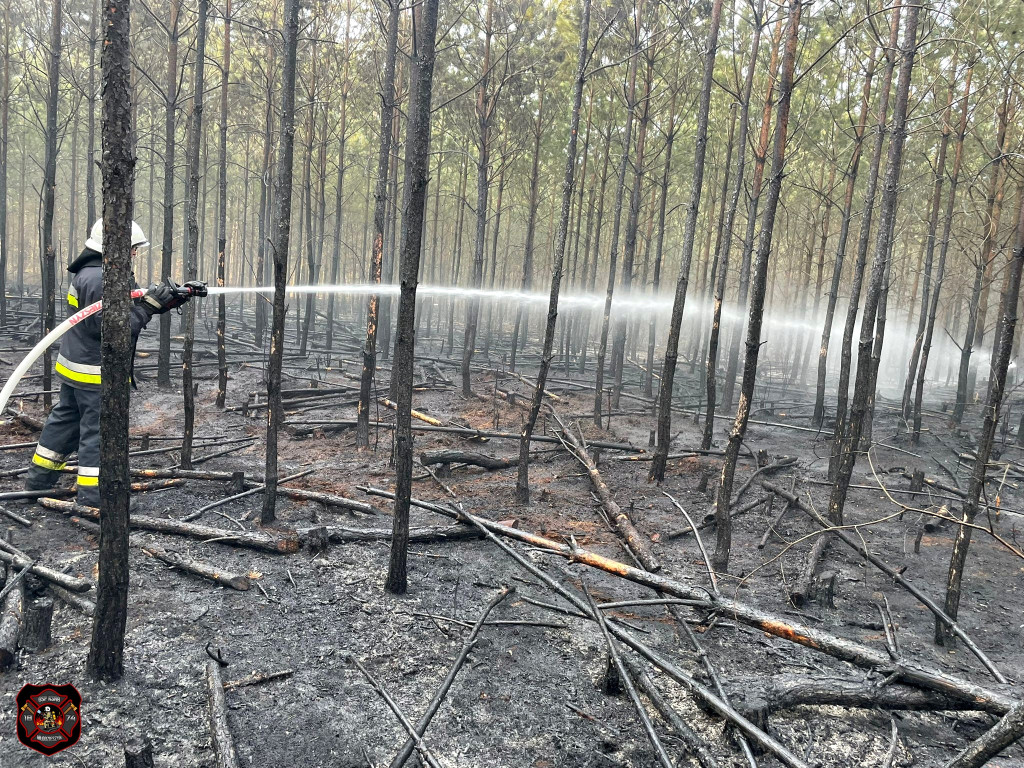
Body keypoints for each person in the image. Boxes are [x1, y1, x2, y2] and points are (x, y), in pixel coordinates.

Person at [24, 219, 191, 507]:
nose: (135, 255)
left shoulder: (96, 273)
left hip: (77, 367)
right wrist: (149, 307)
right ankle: (93, 499)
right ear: (113, 247)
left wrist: (170, 299)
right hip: (93, 373)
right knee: (97, 435)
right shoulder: (99, 279)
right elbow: (111, 330)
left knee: (64, 424)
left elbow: (128, 307)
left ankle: (37, 483)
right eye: (133, 249)